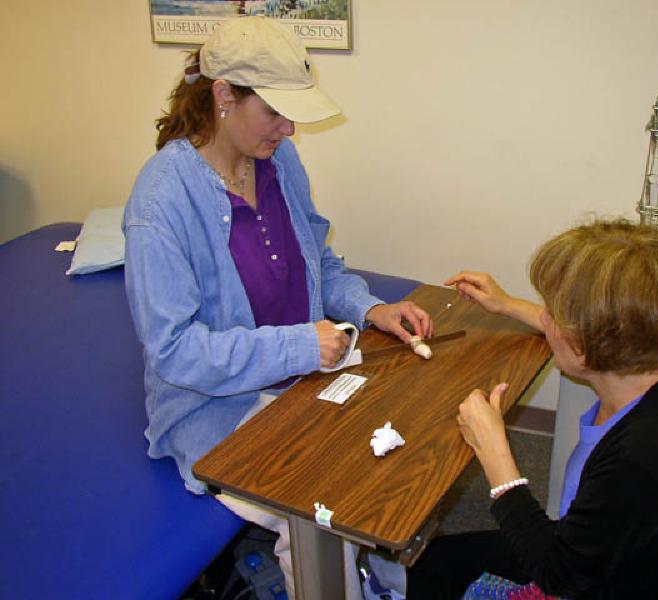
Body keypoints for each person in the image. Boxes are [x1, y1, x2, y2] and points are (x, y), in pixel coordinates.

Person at [123, 16, 431, 599]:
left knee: (393, 466)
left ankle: (376, 588)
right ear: (222, 97)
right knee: (328, 506)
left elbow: (320, 261)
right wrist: (296, 345)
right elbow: (174, 351)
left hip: (304, 378)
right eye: (275, 112)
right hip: (213, 405)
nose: (289, 129)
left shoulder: (277, 162)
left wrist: (370, 309)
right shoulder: (162, 200)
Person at [406, 220, 658, 599]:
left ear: (589, 342)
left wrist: (495, 453)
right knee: (436, 561)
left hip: (599, 580)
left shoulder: (647, 456)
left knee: (437, 573)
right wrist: (507, 305)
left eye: (554, 315)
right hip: (604, 553)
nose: (544, 319)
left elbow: (559, 576)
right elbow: (603, 331)